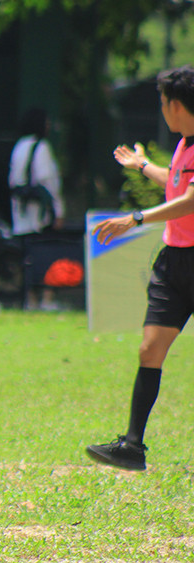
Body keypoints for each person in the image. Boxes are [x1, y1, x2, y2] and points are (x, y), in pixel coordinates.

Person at [86, 66, 194, 472]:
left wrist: (134, 219)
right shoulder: (186, 143)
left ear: (175, 105)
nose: (162, 109)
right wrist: (143, 165)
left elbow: (190, 200)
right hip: (174, 262)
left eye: (163, 102)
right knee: (150, 349)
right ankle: (132, 447)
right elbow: (178, 183)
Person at [9, 107, 65, 311]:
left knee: (28, 258)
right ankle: (47, 299)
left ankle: (29, 299)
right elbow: (48, 182)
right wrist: (58, 211)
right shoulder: (42, 147)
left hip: (22, 213)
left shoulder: (19, 146)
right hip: (40, 214)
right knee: (47, 256)